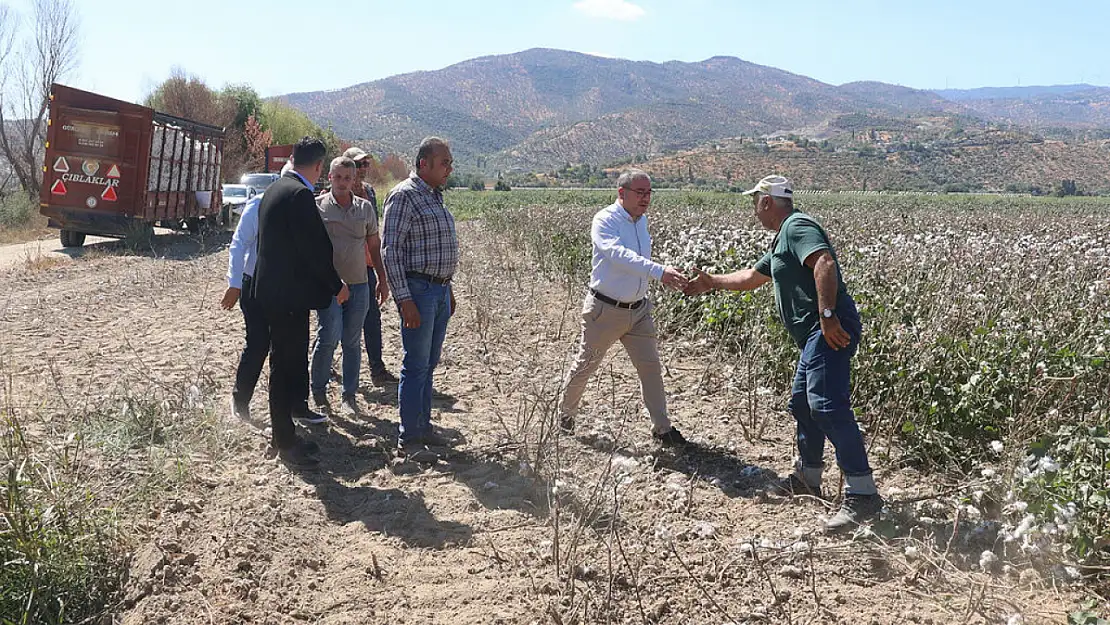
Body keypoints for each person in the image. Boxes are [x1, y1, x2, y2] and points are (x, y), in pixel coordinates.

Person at [684, 175, 882, 530]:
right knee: (803, 403)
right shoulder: (782, 241)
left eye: (754, 202)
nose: (753, 210)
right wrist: (711, 281)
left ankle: (863, 496)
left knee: (827, 405)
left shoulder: (797, 226)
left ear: (765, 202)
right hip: (815, 332)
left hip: (827, 327)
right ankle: (808, 478)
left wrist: (826, 316)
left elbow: (824, 263)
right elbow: (749, 277)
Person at [557, 169, 690, 447]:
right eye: (640, 192)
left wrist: (658, 277)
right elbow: (617, 255)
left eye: (649, 192)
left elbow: (637, 262)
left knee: (650, 367)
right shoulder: (605, 220)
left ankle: (662, 428)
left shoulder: (641, 222)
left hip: (639, 310)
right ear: (622, 193)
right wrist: (658, 271)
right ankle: (565, 415)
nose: (646, 198)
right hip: (606, 310)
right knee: (586, 364)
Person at [252, 137, 345, 468]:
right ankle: (285, 443)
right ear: (320, 167)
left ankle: (285, 433)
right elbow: (313, 250)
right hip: (287, 294)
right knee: (283, 365)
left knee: (286, 362)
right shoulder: (300, 195)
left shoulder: (276, 189)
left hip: (274, 292)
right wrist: (336, 286)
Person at [221, 162, 325, 425]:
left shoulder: (304, 205)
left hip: (290, 287)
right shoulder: (258, 205)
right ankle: (240, 399)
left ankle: (297, 406)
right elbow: (239, 244)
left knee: (296, 346)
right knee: (258, 343)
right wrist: (233, 283)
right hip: (254, 285)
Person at [380, 137, 458, 453]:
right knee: (415, 365)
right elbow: (391, 251)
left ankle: (423, 427)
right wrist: (404, 299)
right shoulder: (404, 197)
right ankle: (410, 438)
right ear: (423, 164)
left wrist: (447, 287)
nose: (449, 169)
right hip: (419, 292)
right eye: (444, 163)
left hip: (438, 291)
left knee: (429, 363)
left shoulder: (434, 196)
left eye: (450, 163)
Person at [309, 156, 388, 414]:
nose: (342, 182)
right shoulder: (317, 207)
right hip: (328, 287)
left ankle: (349, 396)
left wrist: (382, 279)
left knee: (352, 342)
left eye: (347, 177)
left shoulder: (365, 209)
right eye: (338, 177)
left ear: (354, 180)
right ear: (329, 178)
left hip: (360, 285)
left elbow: (374, 246)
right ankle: (318, 390)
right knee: (328, 336)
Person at [344, 146, 397, 386]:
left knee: (372, 319)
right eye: (359, 164)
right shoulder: (337, 192)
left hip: (366, 268)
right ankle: (323, 368)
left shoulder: (370, 192)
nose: (364, 168)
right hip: (343, 270)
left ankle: (377, 369)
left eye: (366, 164)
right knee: (337, 322)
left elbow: (374, 235)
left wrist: (380, 272)